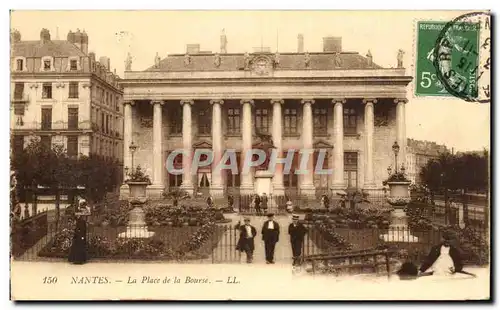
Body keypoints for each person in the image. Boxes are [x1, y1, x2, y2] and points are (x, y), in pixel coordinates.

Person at [68, 200, 90, 265]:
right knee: (78, 246)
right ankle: (77, 260)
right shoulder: (79, 219)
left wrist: (82, 236)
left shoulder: (82, 219)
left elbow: (83, 229)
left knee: (80, 246)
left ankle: (79, 260)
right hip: (78, 234)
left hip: (80, 234)